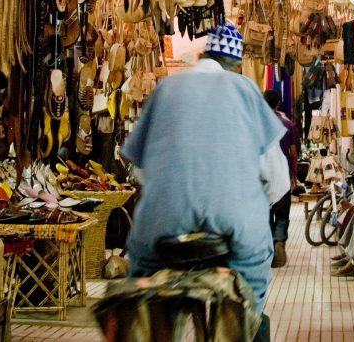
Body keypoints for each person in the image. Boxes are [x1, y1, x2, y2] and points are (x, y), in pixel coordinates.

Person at [121, 22, 290, 320]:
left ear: (202, 56)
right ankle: (245, 323)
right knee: (253, 282)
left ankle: (149, 322)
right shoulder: (246, 90)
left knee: (142, 280)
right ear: (236, 63)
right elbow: (277, 179)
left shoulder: (166, 88)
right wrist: (248, 203)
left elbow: (139, 171)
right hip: (235, 223)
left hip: (163, 222)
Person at [262, 89, 300, 268]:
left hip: (261, 179)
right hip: (282, 176)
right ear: (278, 104)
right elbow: (293, 153)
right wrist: (294, 174)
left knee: (266, 215)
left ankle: (270, 249)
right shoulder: (287, 124)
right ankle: (279, 242)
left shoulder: (255, 123)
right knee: (282, 215)